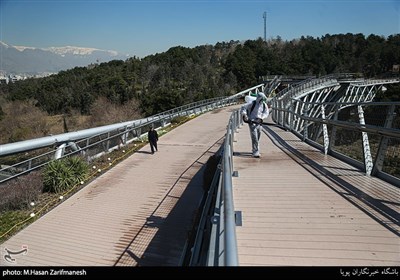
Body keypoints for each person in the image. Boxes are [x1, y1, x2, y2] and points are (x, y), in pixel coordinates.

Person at [240, 91, 269, 158]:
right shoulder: (253, 103)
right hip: (252, 122)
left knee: (258, 136)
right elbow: (243, 107)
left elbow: (266, 113)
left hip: (259, 123)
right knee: (254, 137)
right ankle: (255, 152)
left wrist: (262, 118)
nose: (262, 100)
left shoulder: (264, 105)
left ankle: (255, 148)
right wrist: (244, 115)